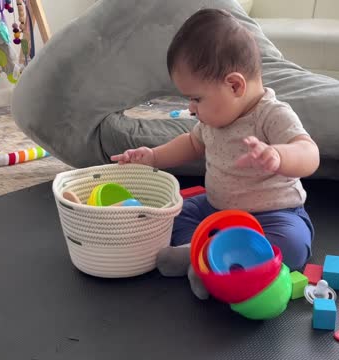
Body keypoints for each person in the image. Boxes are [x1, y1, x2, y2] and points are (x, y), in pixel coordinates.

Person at [111, 8, 319, 298]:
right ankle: (203, 255)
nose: (191, 108)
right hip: (216, 209)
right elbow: (191, 143)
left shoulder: (272, 114)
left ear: (234, 85)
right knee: (173, 214)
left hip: (273, 215)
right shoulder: (212, 119)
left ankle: (208, 257)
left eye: (196, 98)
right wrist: (153, 157)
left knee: (293, 245)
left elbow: (309, 154)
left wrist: (279, 156)